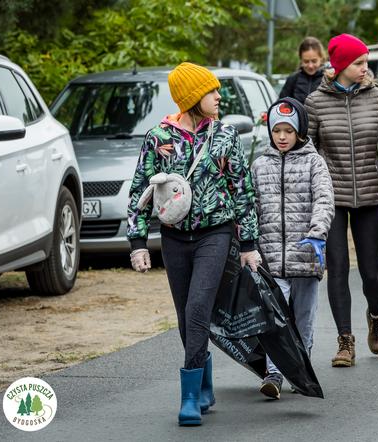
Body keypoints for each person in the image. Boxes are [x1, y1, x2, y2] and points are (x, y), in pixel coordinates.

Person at [127, 62, 261, 426]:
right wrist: (138, 242)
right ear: (191, 97)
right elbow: (140, 189)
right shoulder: (158, 137)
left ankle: (187, 397)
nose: (219, 96)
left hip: (215, 233)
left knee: (198, 307)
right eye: (212, 91)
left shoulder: (225, 136)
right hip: (173, 237)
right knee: (186, 314)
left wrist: (247, 242)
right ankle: (203, 382)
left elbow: (242, 190)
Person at [305, 33, 378, 368]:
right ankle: (345, 341)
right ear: (341, 65)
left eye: (366, 62)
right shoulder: (315, 102)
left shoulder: (376, 98)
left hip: (370, 197)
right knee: (336, 270)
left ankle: (375, 314)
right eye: (359, 63)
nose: (366, 68)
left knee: (372, 273)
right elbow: (308, 151)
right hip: (331, 200)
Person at [251, 97, 334, 399]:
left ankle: (301, 367)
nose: (282, 136)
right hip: (271, 258)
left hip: (306, 256)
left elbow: (324, 200)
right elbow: (252, 207)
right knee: (276, 316)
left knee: (303, 316)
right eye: (277, 131)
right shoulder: (259, 165)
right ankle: (274, 372)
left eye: (288, 130)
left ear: (299, 130)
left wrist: (317, 231)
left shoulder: (314, 162)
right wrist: (249, 243)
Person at [279, 37, 326, 104]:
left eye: (314, 61)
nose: (310, 66)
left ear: (321, 58)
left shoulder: (329, 79)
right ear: (301, 59)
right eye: (306, 61)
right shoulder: (293, 79)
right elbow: (281, 105)